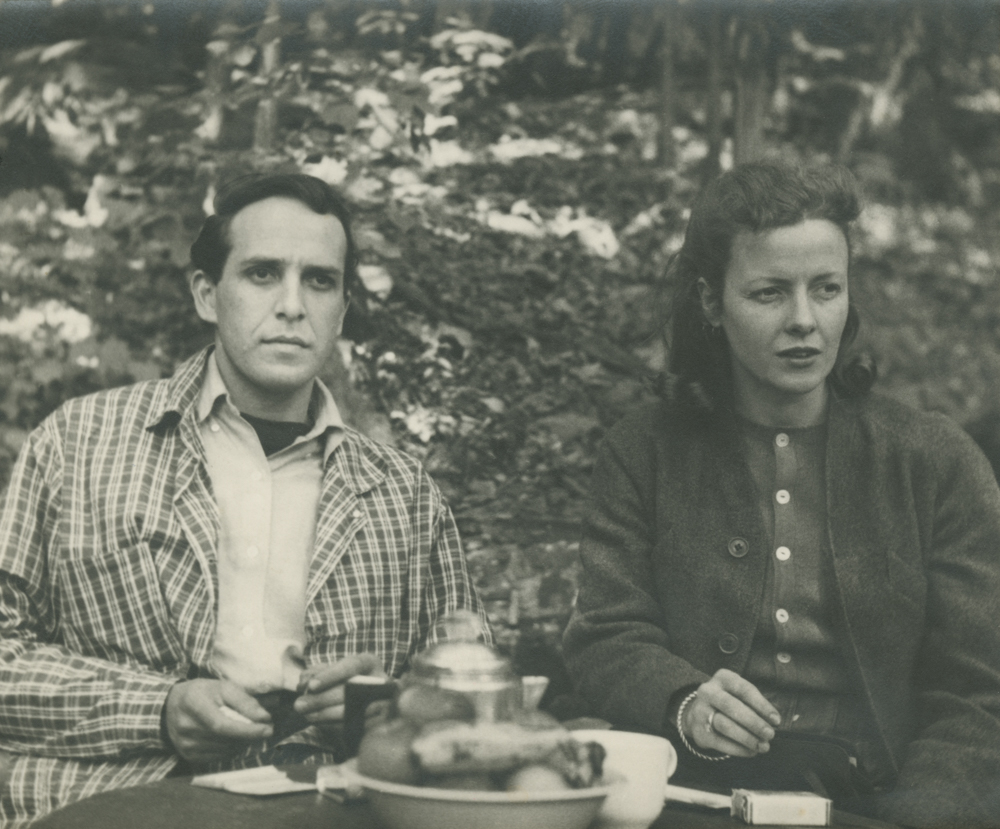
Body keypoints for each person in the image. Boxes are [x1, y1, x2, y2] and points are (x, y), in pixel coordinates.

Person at [0, 173, 489, 826]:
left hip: (329, 808)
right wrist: (157, 708)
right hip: (111, 806)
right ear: (207, 294)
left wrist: (389, 707)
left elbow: (480, 696)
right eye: (263, 274)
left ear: (342, 309)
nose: (292, 305)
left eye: (319, 281)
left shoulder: (405, 495)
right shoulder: (79, 443)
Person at [562, 161, 1000, 827]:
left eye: (826, 289)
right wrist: (684, 703)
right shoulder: (645, 451)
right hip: (697, 799)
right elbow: (605, 633)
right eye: (768, 293)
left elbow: (978, 691)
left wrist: (914, 817)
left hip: (882, 805)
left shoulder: (934, 461)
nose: (804, 320)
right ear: (712, 302)